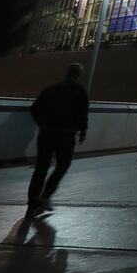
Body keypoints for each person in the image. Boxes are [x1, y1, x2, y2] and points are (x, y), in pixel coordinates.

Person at [27, 63, 89, 214]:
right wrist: (82, 131)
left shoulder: (51, 89)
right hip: (66, 134)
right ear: (79, 75)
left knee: (41, 167)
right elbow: (83, 112)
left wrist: (42, 123)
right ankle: (45, 196)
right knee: (63, 164)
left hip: (46, 132)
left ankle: (32, 203)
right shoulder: (80, 90)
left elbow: (34, 109)